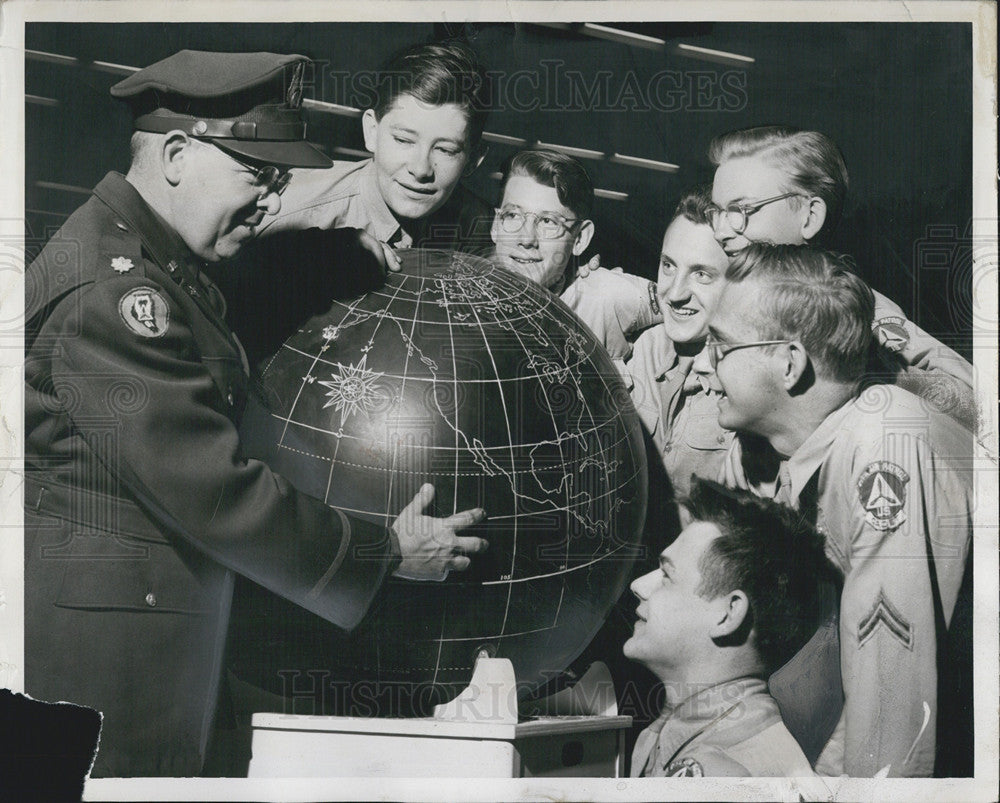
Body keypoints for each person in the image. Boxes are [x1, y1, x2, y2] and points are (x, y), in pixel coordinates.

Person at [22, 49, 487, 778]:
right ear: (177, 154)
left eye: (278, 181)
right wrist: (385, 552)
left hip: (159, 647)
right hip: (113, 677)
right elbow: (214, 491)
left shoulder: (157, 262)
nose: (271, 202)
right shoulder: (113, 299)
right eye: (256, 176)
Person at [698, 243, 972, 777]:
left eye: (722, 345)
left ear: (790, 362)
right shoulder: (797, 457)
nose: (706, 364)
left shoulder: (882, 441)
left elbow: (894, 695)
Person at [217, 40, 492, 365]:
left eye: (445, 150)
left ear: (474, 160)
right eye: (403, 140)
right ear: (371, 131)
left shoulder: (473, 224)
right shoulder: (289, 220)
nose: (420, 169)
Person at [707, 125, 975, 429]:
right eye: (716, 211)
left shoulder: (863, 312)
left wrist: (865, 365)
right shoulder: (728, 296)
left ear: (810, 217)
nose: (720, 231)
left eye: (740, 210)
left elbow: (974, 407)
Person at [625, 477, 839, 778]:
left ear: (728, 614)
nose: (638, 586)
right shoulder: (675, 736)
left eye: (666, 576)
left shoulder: (723, 772)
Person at [489, 148, 661, 365]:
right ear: (496, 225)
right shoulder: (454, 297)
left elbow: (697, 306)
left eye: (549, 222)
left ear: (580, 238)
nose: (526, 239)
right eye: (513, 215)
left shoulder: (605, 297)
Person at [624, 185, 734, 497]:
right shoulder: (644, 349)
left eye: (702, 275)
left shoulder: (748, 380)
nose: (674, 294)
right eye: (668, 266)